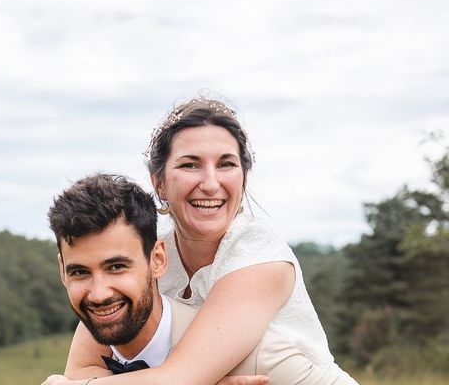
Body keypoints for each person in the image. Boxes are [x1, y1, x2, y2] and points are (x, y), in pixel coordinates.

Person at [43, 97, 358, 385]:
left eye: (226, 164)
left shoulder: (261, 259)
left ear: (243, 178)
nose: (210, 183)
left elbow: (179, 377)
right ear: (160, 184)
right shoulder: (140, 252)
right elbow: (84, 368)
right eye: (190, 164)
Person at [48, 173, 346, 384]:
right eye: (80, 272)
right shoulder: (87, 365)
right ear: (63, 272)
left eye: (117, 267)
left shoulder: (257, 359)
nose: (99, 294)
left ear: (158, 260)